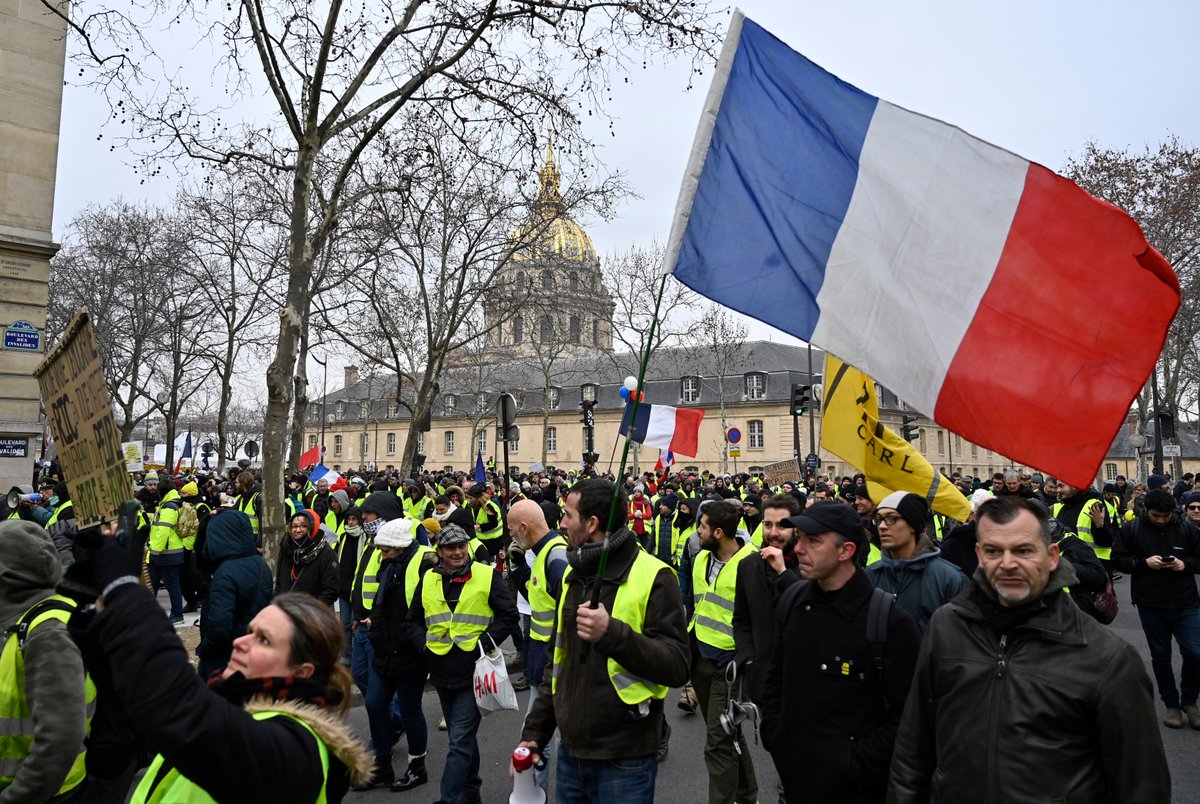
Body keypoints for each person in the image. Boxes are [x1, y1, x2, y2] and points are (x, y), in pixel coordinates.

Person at [887, 496, 1170, 803]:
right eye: (994, 551)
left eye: (1023, 550)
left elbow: (1142, 785)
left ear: (1051, 557)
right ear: (979, 555)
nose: (1008, 563)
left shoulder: (1109, 659)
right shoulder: (946, 627)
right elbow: (914, 745)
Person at [519, 478, 689, 803]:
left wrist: (611, 633)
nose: (562, 523)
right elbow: (557, 666)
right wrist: (534, 735)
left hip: (625, 757)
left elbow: (677, 665)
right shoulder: (574, 573)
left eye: (568, 515)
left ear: (592, 523)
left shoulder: (655, 575)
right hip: (571, 752)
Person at [764, 502, 920, 803]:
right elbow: (776, 677)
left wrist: (851, 761)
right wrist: (777, 734)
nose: (798, 549)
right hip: (796, 779)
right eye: (800, 538)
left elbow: (910, 717)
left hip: (857, 790)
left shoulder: (888, 620)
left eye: (814, 541)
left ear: (845, 551)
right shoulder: (794, 599)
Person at [406, 523, 518, 804]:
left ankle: (450, 798)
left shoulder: (485, 575)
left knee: (458, 741)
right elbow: (412, 622)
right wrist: (424, 645)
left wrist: (484, 643)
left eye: (461, 546)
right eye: (450, 547)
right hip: (442, 670)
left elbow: (509, 615)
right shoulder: (429, 579)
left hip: (474, 670)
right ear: (439, 551)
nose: (457, 552)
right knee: (462, 737)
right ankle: (471, 792)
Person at [0, 520, 93, 802]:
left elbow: (60, 737)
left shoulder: (48, 631)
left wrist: (17, 798)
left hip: (41, 794)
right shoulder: (15, 618)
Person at [688, 499, 758, 804]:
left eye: (702, 526)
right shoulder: (701, 559)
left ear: (718, 532)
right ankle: (747, 795)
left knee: (717, 743)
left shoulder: (751, 563)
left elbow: (761, 620)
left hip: (728, 668)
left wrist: (747, 661)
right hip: (700, 660)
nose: (697, 531)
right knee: (729, 734)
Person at [1112, 487, 1200, 729]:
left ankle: (1190, 701)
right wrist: (1143, 563)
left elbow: (1199, 559)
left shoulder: (1186, 527)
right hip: (1150, 602)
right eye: (1155, 516)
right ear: (1145, 511)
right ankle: (1171, 704)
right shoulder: (1132, 529)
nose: (1161, 520)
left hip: (1186, 601)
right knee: (1160, 656)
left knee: (1195, 652)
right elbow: (1117, 560)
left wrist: (1186, 564)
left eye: (1166, 516)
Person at [359, 518, 436, 791]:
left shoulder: (425, 562)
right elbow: (383, 601)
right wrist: (374, 624)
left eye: (387, 551)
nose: (383, 555)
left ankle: (418, 768)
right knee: (374, 703)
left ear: (401, 547)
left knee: (410, 710)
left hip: (409, 651)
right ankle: (382, 766)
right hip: (384, 647)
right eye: (381, 550)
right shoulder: (390, 563)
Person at [733, 493, 803, 707]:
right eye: (767, 525)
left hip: (803, 680)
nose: (773, 533)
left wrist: (783, 572)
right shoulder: (747, 566)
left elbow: (809, 609)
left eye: (782, 526)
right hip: (762, 680)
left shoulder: (811, 565)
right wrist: (748, 659)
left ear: (796, 529)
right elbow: (741, 620)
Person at [865, 492, 967, 634]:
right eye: (879, 519)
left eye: (891, 519)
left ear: (912, 525)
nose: (882, 526)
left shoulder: (950, 579)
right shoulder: (869, 576)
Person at [196, 510, 273, 679]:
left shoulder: (225, 573)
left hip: (227, 656)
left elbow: (220, 626)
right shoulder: (260, 564)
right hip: (254, 647)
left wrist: (205, 649)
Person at [275, 510, 340, 607]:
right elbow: (279, 584)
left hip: (313, 615)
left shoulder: (326, 553)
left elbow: (331, 590)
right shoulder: (286, 549)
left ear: (312, 528)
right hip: (287, 612)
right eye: (294, 526)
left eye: (304, 526)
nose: (298, 530)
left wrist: (312, 611)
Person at [147, 476, 187, 625]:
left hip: (165, 553)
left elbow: (163, 531)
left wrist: (153, 551)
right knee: (156, 583)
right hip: (168, 552)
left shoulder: (168, 506)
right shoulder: (172, 503)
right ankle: (150, 612)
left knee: (170, 584)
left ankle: (177, 614)